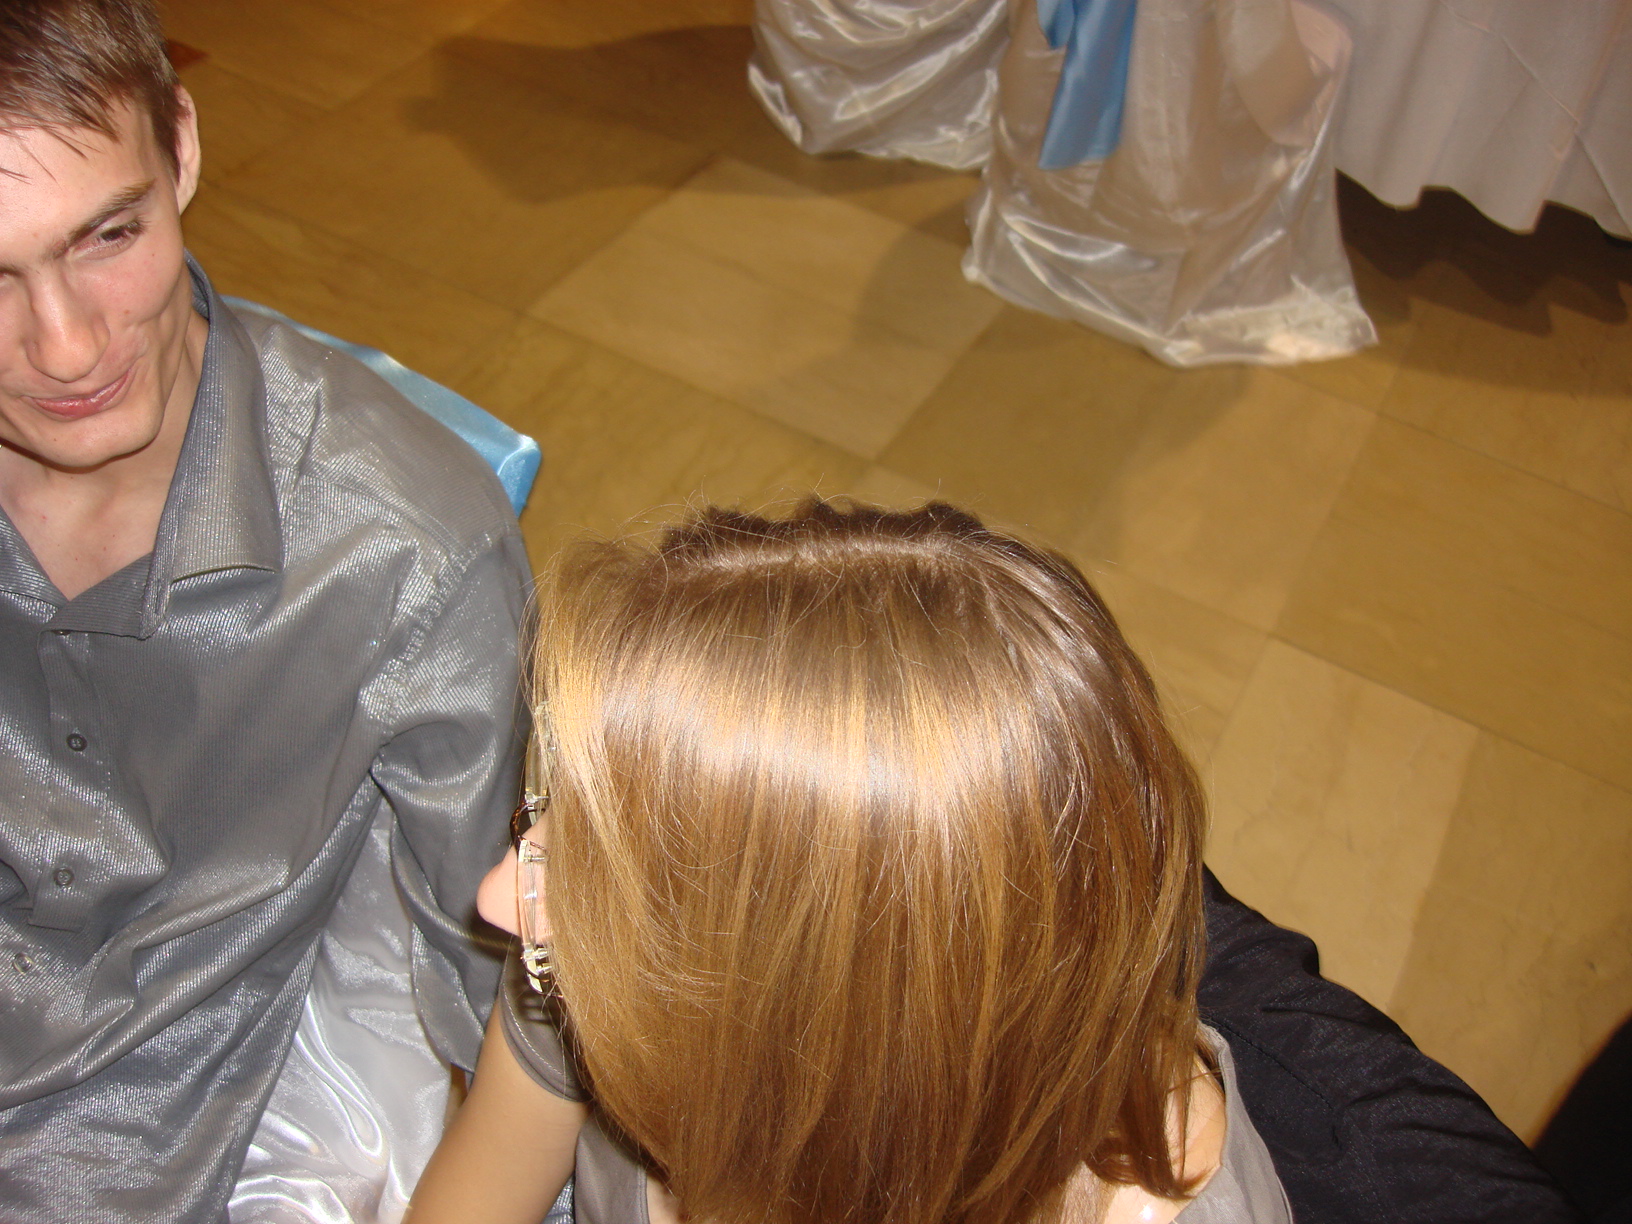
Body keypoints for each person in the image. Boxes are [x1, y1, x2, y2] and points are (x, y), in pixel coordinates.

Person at [411, 498, 1582, 1224]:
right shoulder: (597, 964)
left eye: (596, 857)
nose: (502, 895)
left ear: (822, 1001)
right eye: (552, 818)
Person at [0, 2, 530, 1219]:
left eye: (108, 234)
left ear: (183, 147)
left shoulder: (404, 548)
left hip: (133, 1146)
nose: (67, 348)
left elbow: (515, 988)